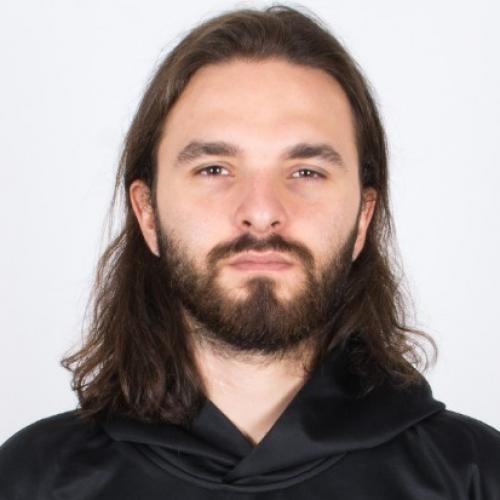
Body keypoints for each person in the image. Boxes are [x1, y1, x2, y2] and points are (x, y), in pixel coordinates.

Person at [1, 4, 499, 499]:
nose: (261, 213)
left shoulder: (476, 477)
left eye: (306, 171)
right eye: (214, 169)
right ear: (147, 213)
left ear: (363, 217)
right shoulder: (32, 481)